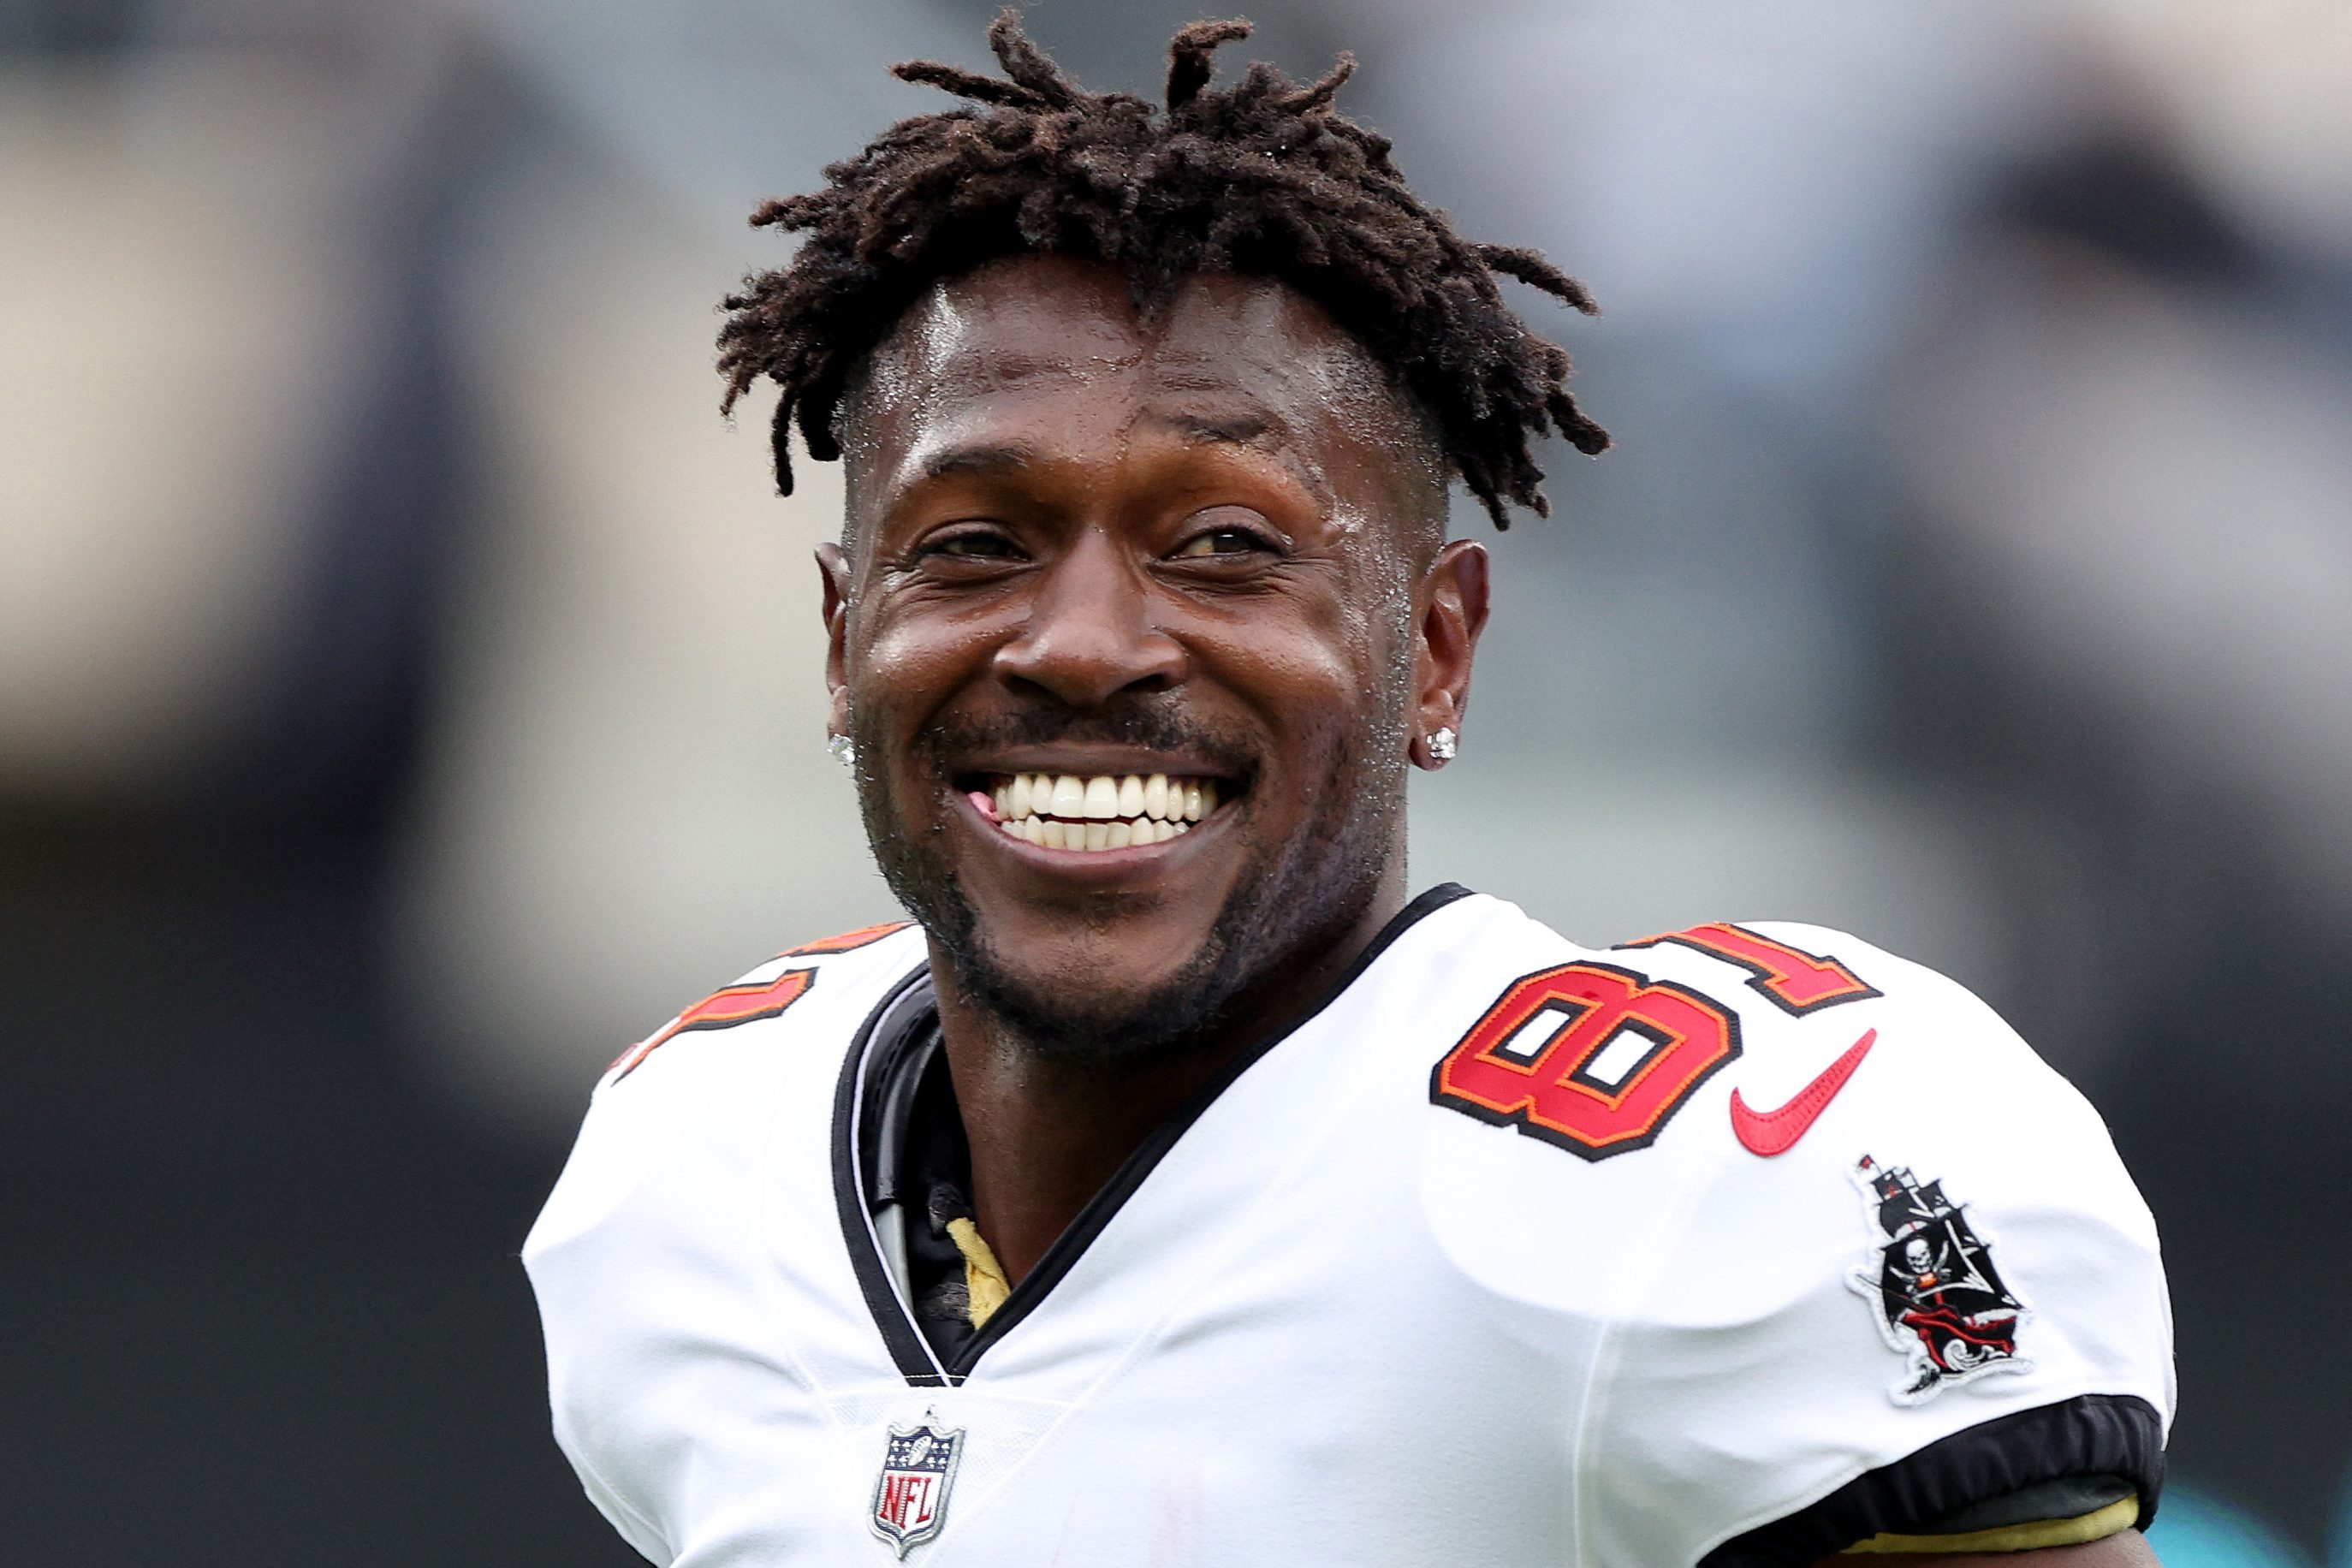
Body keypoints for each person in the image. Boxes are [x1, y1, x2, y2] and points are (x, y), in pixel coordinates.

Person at [523, 15, 2171, 1565]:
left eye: (1226, 546)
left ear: (1436, 652)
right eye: (972, 548)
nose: (1084, 645)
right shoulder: (686, 1179)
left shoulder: (1710, 1177)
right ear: (842, 636)